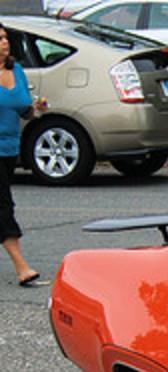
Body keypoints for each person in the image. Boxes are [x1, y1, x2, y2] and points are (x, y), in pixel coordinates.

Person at [0, 23, 44, 288]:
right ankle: (21, 266)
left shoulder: (16, 70)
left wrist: (35, 109)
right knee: (3, 205)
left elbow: (24, 110)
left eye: (5, 38)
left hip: (9, 149)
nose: (5, 43)